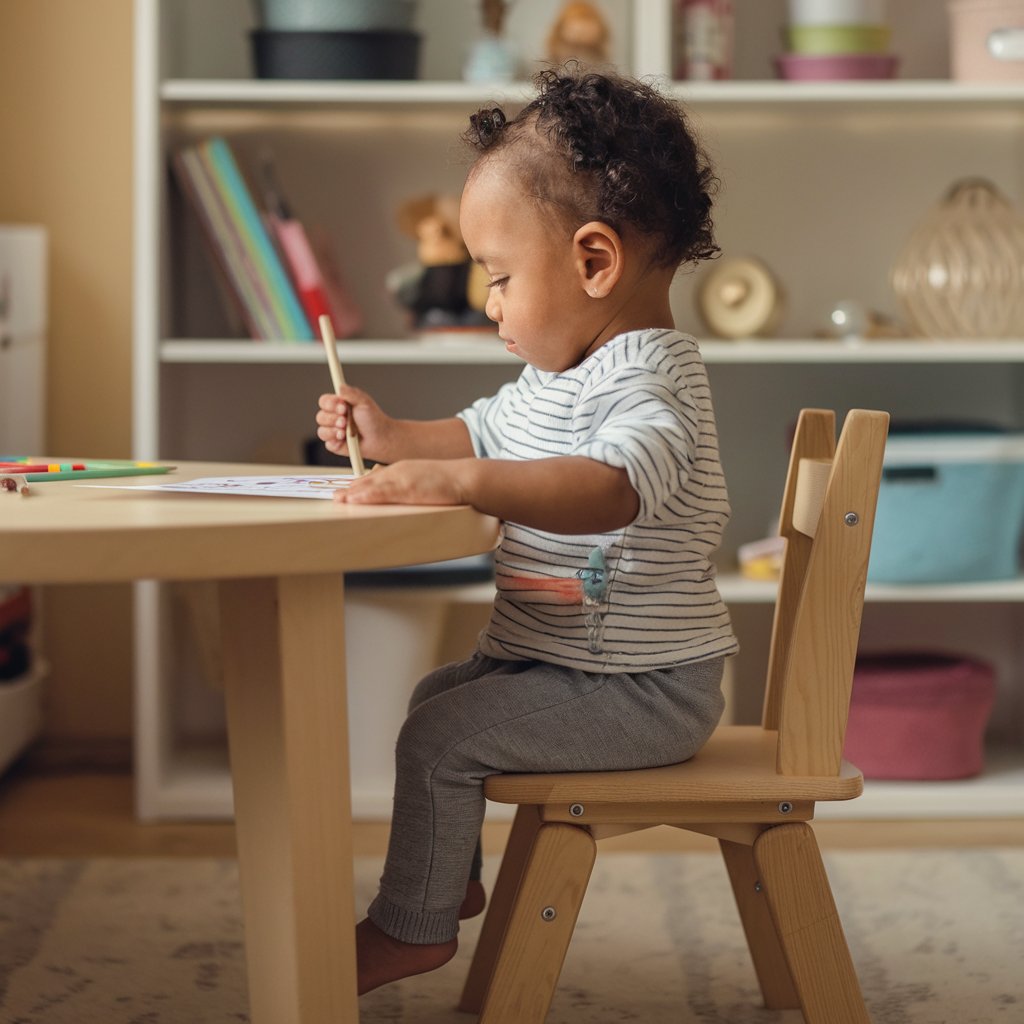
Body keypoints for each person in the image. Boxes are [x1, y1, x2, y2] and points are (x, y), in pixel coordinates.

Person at [315, 65, 738, 996]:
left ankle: (413, 925)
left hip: (642, 688)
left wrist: (466, 481)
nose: (489, 302)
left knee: (440, 739)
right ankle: (445, 882)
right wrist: (387, 437)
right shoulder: (559, 377)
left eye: (501, 277)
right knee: (433, 698)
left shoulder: (650, 381)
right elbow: (477, 432)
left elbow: (608, 488)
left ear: (595, 261)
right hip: (563, 664)